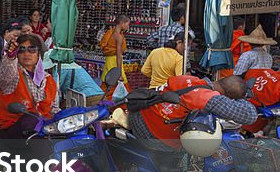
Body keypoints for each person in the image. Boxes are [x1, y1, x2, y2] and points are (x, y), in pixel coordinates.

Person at [128, 74, 257, 152]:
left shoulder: (191, 79)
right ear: (227, 98)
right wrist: (241, 98)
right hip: (149, 130)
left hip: (142, 112)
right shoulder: (208, 98)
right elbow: (250, 115)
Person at [0, 34, 59, 139]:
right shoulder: (14, 74)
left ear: (39, 53)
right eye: (21, 50)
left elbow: (53, 108)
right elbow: (6, 77)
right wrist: (10, 56)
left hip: (44, 129)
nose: (26, 54)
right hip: (14, 130)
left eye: (32, 49)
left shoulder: (48, 79)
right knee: (30, 119)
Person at [100, 15, 129, 90]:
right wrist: (119, 73)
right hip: (115, 61)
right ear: (122, 23)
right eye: (127, 24)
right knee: (118, 83)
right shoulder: (118, 36)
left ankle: (105, 100)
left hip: (108, 60)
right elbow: (119, 55)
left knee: (106, 81)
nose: (128, 27)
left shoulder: (110, 33)